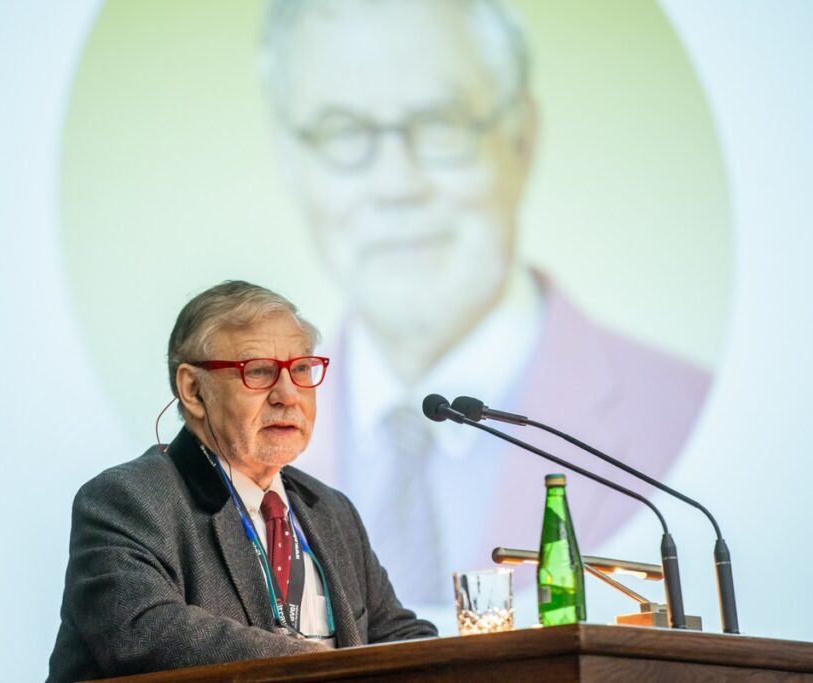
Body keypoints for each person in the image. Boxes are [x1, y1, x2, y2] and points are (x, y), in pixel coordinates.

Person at [260, 0, 710, 606]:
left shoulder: (681, 410)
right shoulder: (230, 448)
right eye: (343, 131)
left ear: (520, 137)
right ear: (290, 162)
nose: (396, 184)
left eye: (440, 123)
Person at [47, 281, 436, 681]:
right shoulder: (127, 500)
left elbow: (397, 635)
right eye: (260, 372)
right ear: (193, 390)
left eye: (301, 369)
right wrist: (321, 665)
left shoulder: (331, 510)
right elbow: (144, 634)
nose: (288, 395)